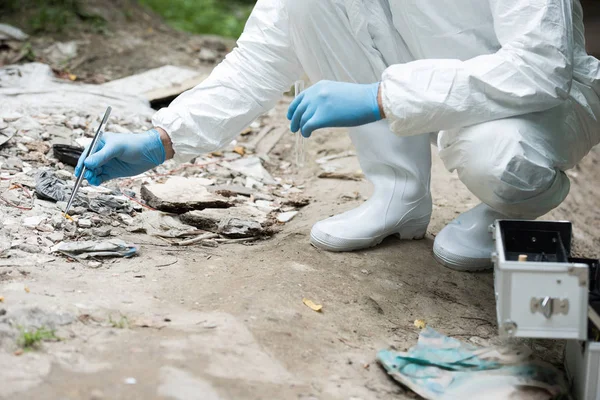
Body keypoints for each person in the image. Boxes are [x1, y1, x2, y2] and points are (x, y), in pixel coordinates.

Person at [76, 0, 600, 271]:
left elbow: (539, 68)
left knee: (494, 156)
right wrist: (160, 139)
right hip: (425, 84)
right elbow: (257, 61)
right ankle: (399, 192)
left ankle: (511, 205)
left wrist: (380, 96)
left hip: (537, 101)